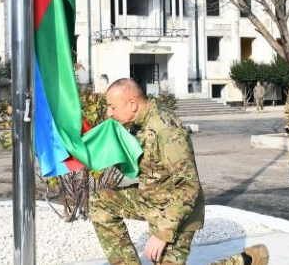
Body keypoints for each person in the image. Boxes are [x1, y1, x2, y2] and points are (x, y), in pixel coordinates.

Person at [91, 78, 269, 265]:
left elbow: (188, 186)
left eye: (113, 107)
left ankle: (245, 260)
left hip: (177, 211)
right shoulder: (137, 124)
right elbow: (140, 167)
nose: (109, 113)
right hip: (151, 200)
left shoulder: (166, 128)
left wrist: (162, 233)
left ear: (132, 104)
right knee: (100, 201)